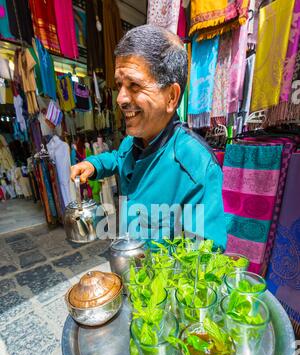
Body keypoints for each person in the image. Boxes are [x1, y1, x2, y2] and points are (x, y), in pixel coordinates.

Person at [70, 24, 227, 249]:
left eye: (134, 86)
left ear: (171, 97)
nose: (121, 99)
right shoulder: (131, 142)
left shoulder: (196, 167)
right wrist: (93, 164)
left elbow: (205, 258)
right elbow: (118, 158)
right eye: (119, 85)